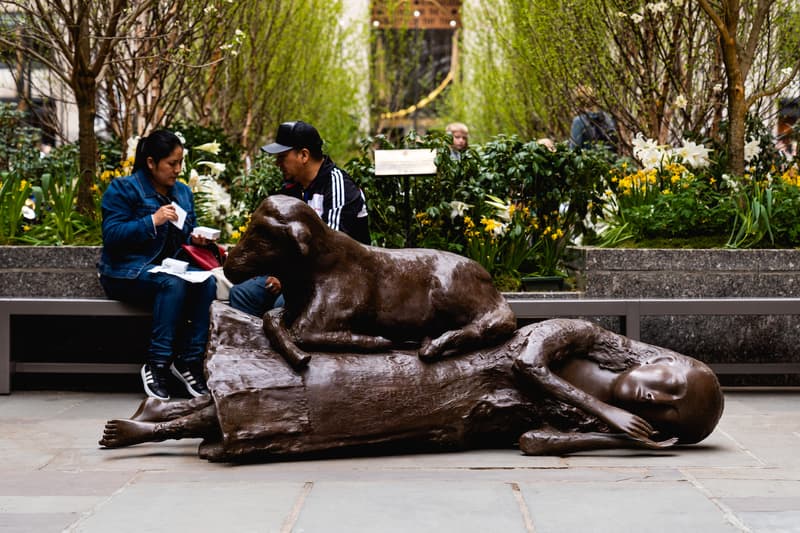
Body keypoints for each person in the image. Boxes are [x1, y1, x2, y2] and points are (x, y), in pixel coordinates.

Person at [99, 317, 723, 458]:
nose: (655, 397)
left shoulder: (600, 426)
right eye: (669, 382)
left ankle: (165, 412)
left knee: (328, 413)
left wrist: (606, 439)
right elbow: (528, 361)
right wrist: (605, 414)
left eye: (669, 411)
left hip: (449, 417)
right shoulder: (583, 338)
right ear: (657, 359)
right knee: (318, 386)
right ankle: (162, 425)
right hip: (437, 374)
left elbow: (535, 440)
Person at [98, 130, 216, 401]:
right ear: (151, 163)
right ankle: (157, 364)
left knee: (207, 282)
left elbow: (184, 236)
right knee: (172, 284)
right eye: (172, 163)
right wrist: (152, 220)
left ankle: (189, 361)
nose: (178, 169)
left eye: (180, 162)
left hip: (169, 271)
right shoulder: (124, 188)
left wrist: (196, 238)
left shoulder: (183, 193)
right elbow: (112, 235)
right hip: (126, 272)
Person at [228, 120, 370, 317]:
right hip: (296, 275)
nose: (277, 163)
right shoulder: (292, 189)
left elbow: (332, 251)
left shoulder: (338, 187)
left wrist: (288, 277)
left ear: (304, 155)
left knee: (283, 306)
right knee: (241, 294)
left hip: (339, 277)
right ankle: (249, 347)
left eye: (282, 157)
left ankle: (283, 347)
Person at [568, 85, 618, 153]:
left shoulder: (579, 121)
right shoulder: (607, 117)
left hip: (591, 162)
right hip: (611, 160)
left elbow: (573, 150)